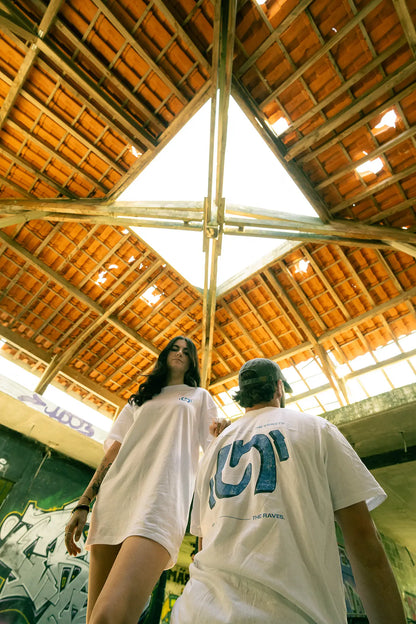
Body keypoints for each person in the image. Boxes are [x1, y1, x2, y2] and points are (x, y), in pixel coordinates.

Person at [172, 358, 406, 624]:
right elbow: (365, 543)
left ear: (242, 395)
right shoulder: (318, 430)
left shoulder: (213, 450)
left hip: (196, 613)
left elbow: (205, 545)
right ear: (279, 388)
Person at [64, 336, 227, 624]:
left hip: (161, 501)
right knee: (94, 618)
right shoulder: (139, 399)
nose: (179, 354)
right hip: (115, 499)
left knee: (109, 617)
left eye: (186, 351)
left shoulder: (199, 396)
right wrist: (83, 503)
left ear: (192, 361)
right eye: (174, 348)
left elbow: (214, 446)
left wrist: (223, 432)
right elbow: (114, 451)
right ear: (164, 355)